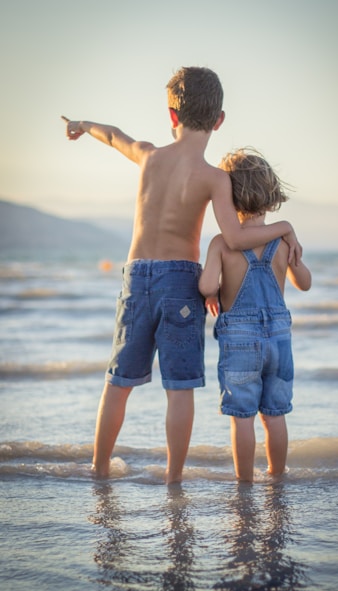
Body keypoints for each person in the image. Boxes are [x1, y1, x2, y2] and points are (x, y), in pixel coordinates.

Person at [62, 66, 302, 483]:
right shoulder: (214, 178)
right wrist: (283, 228)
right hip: (180, 282)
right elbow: (233, 235)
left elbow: (114, 134)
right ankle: (173, 477)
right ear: (219, 120)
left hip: (137, 277)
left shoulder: (148, 155)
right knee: (180, 386)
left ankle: (98, 469)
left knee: (118, 381)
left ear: (171, 115)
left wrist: (82, 125)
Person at [199, 147, 311, 483]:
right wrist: (294, 256)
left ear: (227, 197)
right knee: (274, 415)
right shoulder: (282, 239)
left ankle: (245, 483)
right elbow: (304, 283)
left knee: (242, 416)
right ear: (271, 192)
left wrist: (212, 291)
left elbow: (206, 285)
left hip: (240, 342)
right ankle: (277, 476)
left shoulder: (222, 242)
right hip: (279, 339)